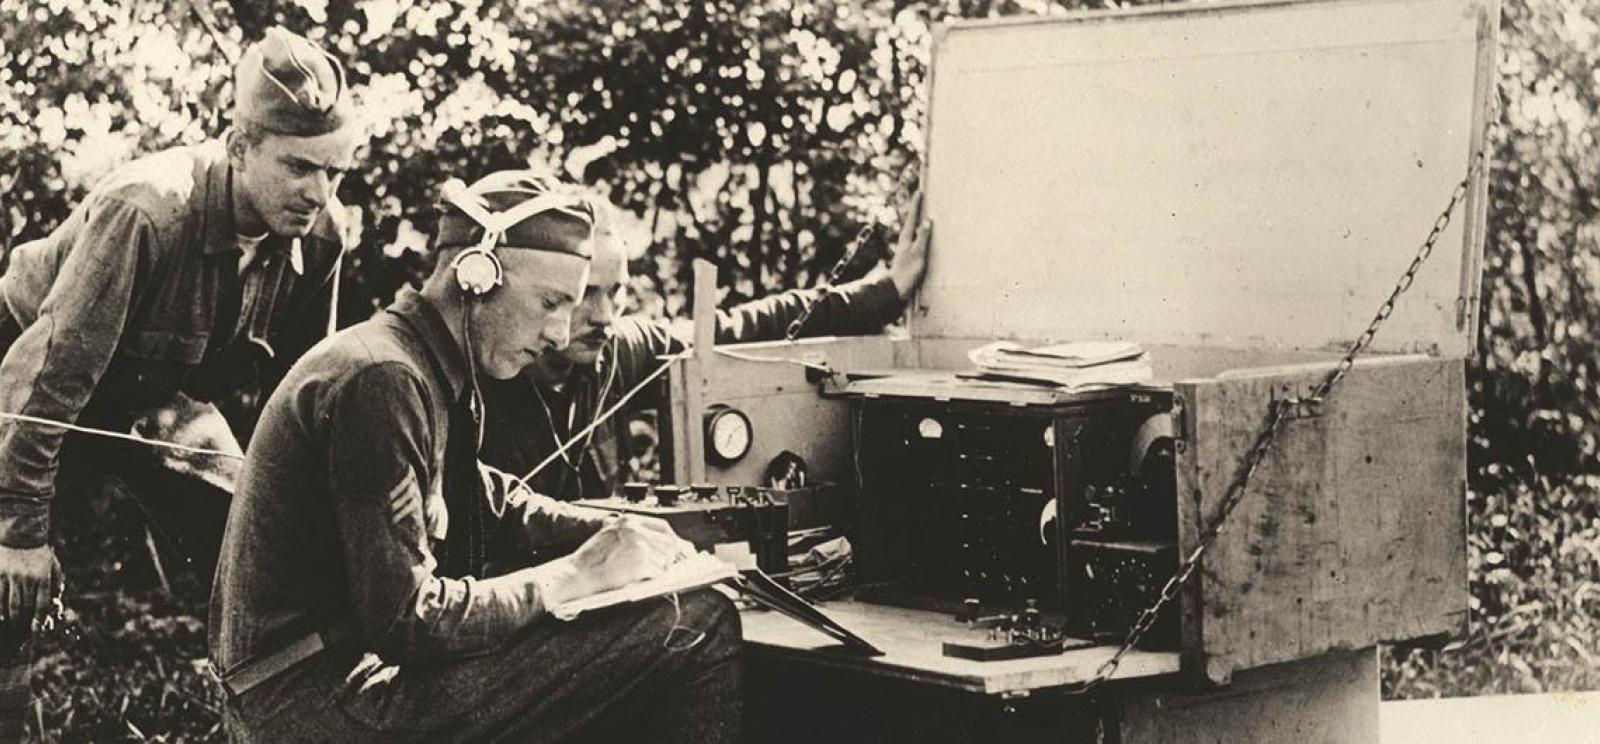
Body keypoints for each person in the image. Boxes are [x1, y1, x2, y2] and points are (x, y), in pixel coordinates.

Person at [210, 171, 741, 742]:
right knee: (696, 621)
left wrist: (630, 533)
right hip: (312, 705)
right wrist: (578, 573)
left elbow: (491, 502)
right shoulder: (383, 378)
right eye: (550, 302)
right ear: (476, 275)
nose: (560, 335)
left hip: (321, 685)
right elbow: (407, 620)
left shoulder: (423, 364)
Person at [0, 26, 361, 736]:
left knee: (261, 537)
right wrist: (17, 531)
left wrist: (320, 512)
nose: (318, 193)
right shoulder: (147, 211)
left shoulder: (322, 236)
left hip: (149, 399)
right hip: (20, 385)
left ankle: (280, 715)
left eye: (336, 171)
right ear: (237, 147)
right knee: (7, 593)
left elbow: (302, 398)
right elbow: (47, 377)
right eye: (297, 168)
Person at [480, 189, 931, 499]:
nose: (603, 316)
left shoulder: (620, 350)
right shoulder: (483, 375)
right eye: (583, 295)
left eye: (615, 292)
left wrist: (886, 292)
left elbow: (750, 324)